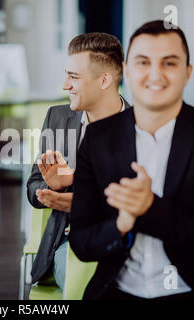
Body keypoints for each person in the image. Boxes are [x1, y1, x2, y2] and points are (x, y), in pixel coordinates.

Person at [69, 20, 194, 300]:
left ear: (187, 73)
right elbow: (81, 242)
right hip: (118, 291)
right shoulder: (98, 139)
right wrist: (122, 223)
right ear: (125, 71)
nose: (155, 74)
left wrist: (150, 209)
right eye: (142, 62)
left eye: (169, 63)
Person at [26, 32, 130, 290]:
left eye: (73, 77)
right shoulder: (57, 119)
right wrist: (54, 188)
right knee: (83, 276)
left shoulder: (140, 126)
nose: (65, 85)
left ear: (104, 80)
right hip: (69, 241)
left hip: (130, 240)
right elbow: (32, 186)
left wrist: (83, 202)